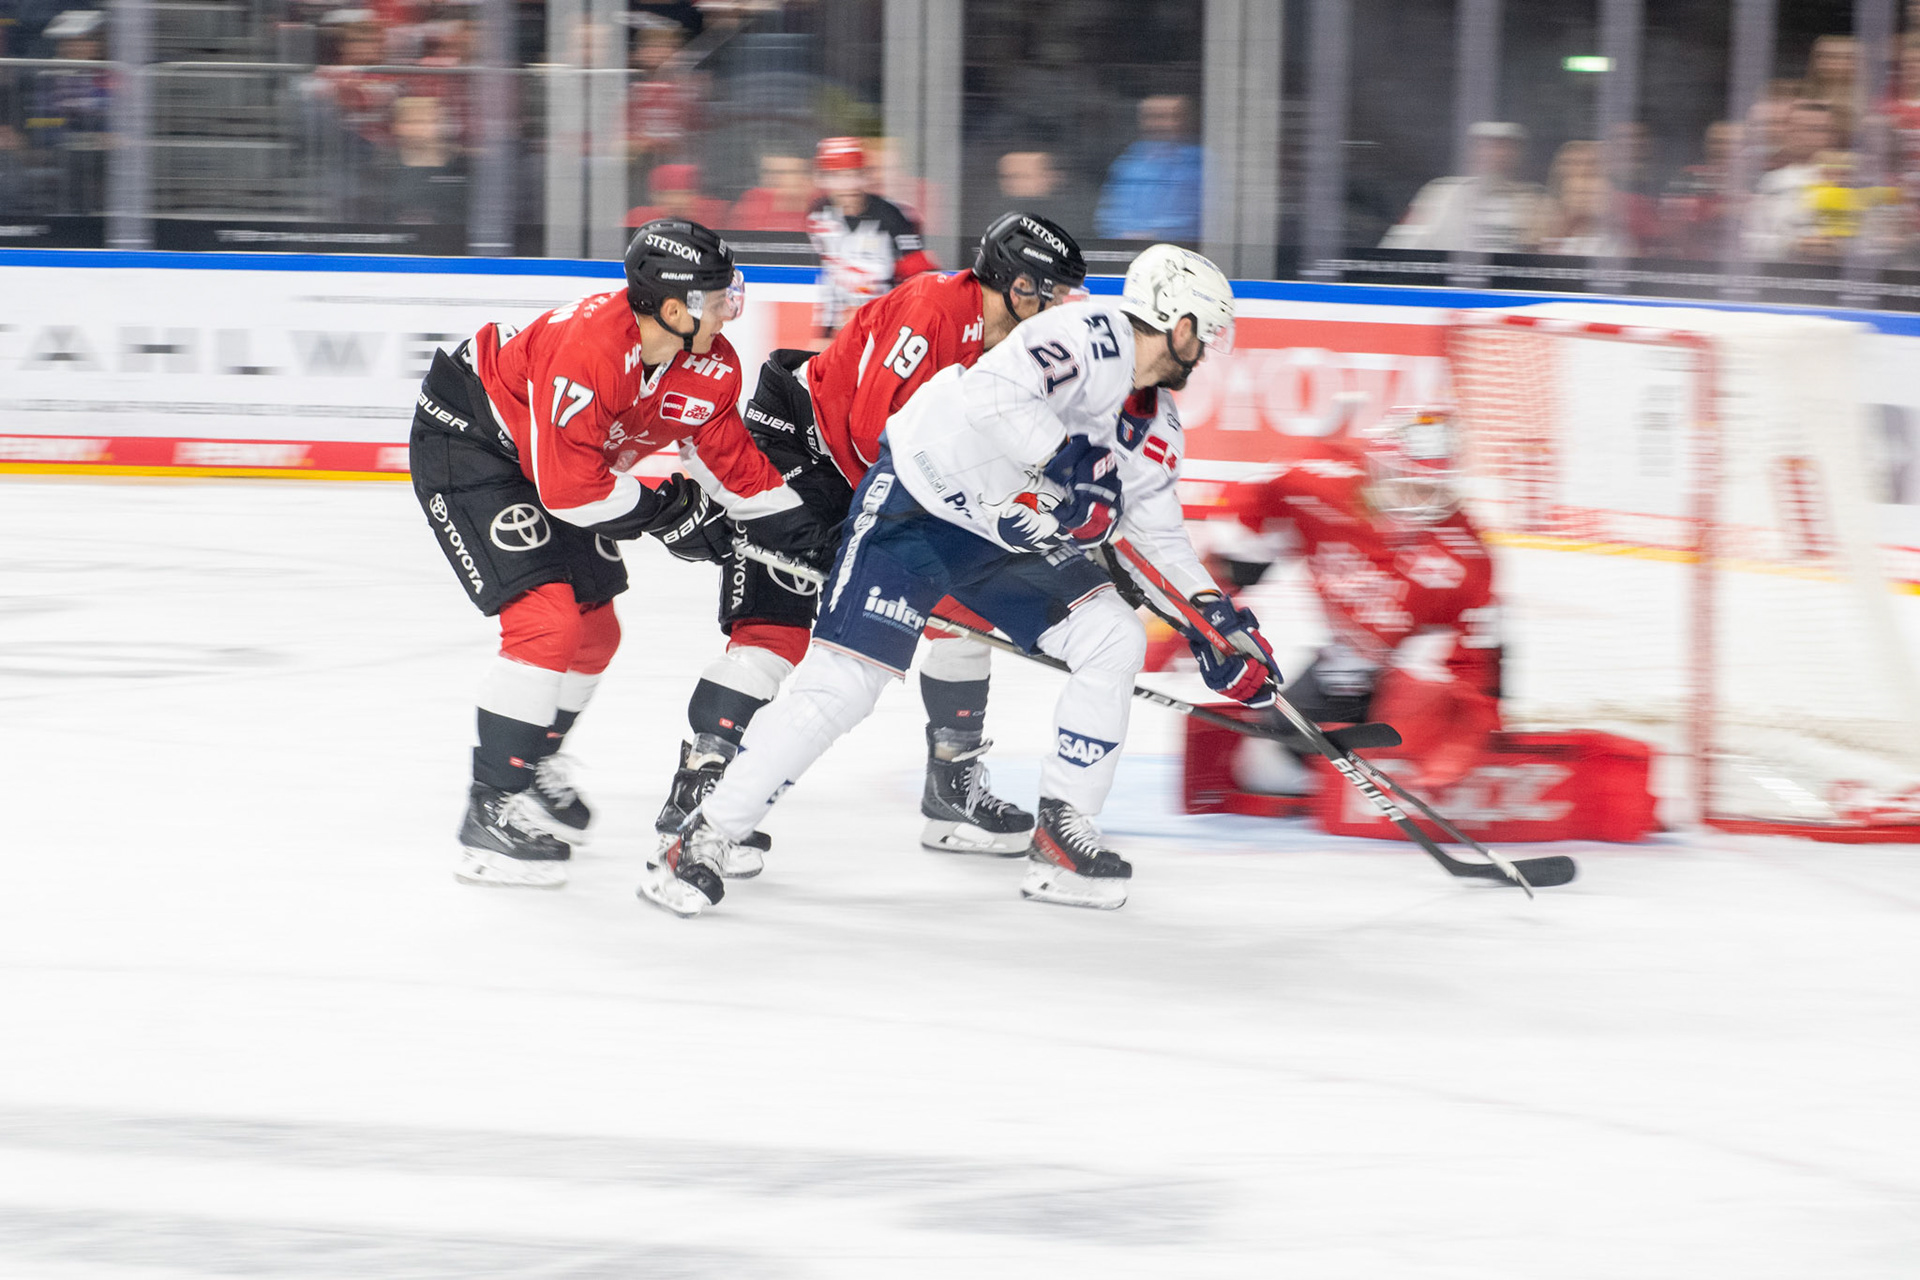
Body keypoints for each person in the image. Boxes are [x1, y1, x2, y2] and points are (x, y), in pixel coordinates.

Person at [643, 245, 1273, 917]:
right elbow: (990, 392)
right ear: (1178, 324)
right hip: (920, 501)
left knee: (1111, 634)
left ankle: (1063, 834)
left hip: (1005, 535)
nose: (1205, 353)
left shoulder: (1158, 428)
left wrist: (1211, 619)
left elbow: (1157, 536)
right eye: (1205, 334)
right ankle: (702, 837)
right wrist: (1065, 461)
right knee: (844, 686)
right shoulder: (1089, 335)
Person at [654, 212, 1090, 867]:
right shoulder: (936, 309)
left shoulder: (1023, 354)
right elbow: (868, 432)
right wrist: (881, 537)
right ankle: (700, 788)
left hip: (888, 478)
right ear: (1017, 283)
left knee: (961, 611)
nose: (1059, 308)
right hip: (802, 447)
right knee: (777, 627)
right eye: (1050, 292)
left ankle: (951, 790)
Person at [407, 220, 829, 889]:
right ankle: (487, 817)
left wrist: (808, 538)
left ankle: (526, 761)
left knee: (595, 634)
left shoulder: (712, 363)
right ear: (672, 308)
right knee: (546, 625)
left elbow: (735, 469)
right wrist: (669, 513)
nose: (730, 306)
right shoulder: (590, 348)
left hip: (557, 463)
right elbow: (572, 494)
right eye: (718, 296)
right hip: (474, 443)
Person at [1208, 408, 1501, 796]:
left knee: (1418, 705)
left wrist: (1461, 741)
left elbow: (1479, 668)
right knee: (1259, 769)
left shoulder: (1466, 556)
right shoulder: (1319, 484)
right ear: (1378, 468)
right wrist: (1198, 619)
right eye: (1407, 484)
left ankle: (1376, 769)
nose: (1419, 503)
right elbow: (1248, 532)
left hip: (1413, 681)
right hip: (1341, 670)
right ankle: (1331, 781)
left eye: (1433, 489)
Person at [806, 136, 937, 334]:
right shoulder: (818, 215)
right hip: (844, 327)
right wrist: (825, 331)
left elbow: (921, 279)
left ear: (865, 175)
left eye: (854, 174)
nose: (848, 185)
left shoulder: (894, 216)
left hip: (890, 325)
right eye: (837, 176)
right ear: (822, 179)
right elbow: (830, 278)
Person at [1378, 121, 1544, 253]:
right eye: (1485, 145)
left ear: (1518, 153)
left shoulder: (1536, 201)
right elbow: (1399, 251)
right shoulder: (1439, 193)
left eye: (1503, 146)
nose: (1493, 154)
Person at [1093, 95, 1203, 241]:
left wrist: (1156, 235)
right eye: (1152, 117)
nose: (1158, 125)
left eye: (1166, 117)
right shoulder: (1127, 164)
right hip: (1126, 250)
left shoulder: (1199, 164)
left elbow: (1200, 219)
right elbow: (1108, 217)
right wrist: (1124, 236)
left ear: (1184, 121)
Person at [726, 151, 814, 232]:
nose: (774, 179)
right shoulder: (753, 201)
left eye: (785, 172)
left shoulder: (819, 206)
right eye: (768, 172)